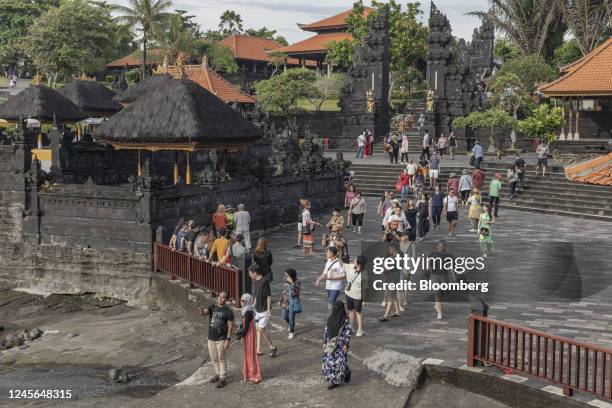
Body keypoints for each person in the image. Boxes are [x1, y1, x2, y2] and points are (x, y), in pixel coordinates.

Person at [199, 291, 234, 388]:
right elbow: (203, 313)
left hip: (221, 338)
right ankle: (218, 374)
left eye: (223, 297)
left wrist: (228, 339)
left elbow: (230, 327)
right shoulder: (212, 307)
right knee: (213, 357)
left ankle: (223, 378)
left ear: (226, 300)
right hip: (211, 337)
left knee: (221, 358)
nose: (220, 298)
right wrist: (200, 308)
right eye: (219, 296)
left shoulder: (228, 312)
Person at [322, 300, 352, 390]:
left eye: (337, 308)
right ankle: (334, 380)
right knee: (329, 362)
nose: (335, 310)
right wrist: (324, 342)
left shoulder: (346, 320)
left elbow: (348, 332)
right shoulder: (330, 318)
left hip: (340, 345)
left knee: (339, 363)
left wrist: (346, 344)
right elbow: (327, 330)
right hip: (330, 344)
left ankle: (338, 378)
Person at [249, 265, 277, 357]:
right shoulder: (255, 281)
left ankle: (272, 346)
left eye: (250, 273)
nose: (249, 275)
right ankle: (258, 349)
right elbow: (256, 294)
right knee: (258, 329)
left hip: (264, 310)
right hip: (257, 309)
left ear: (255, 273)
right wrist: (253, 304)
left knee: (261, 330)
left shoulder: (265, 281)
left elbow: (269, 296)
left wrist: (269, 310)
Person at [235, 293, 262, 384]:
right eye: (241, 300)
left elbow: (246, 327)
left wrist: (241, 336)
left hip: (248, 335)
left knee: (250, 355)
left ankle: (254, 375)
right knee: (249, 354)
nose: (241, 302)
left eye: (243, 301)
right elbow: (244, 324)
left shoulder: (247, 312)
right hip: (250, 334)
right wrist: (240, 327)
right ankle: (249, 373)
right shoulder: (249, 310)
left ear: (247, 301)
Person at [427, 240, 454, 320]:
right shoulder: (433, 253)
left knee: (441, 293)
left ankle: (437, 306)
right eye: (438, 246)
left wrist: (453, 277)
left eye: (441, 247)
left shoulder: (448, 255)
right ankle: (439, 312)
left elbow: (451, 267)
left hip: (444, 276)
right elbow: (428, 260)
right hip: (434, 276)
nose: (439, 248)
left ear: (445, 247)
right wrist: (429, 268)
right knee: (437, 292)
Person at [377, 244, 402, 322]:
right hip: (396, 278)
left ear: (393, 249)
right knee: (393, 295)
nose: (389, 251)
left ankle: (386, 315)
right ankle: (397, 311)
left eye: (389, 250)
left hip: (391, 280)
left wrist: (383, 265)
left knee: (390, 297)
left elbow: (386, 269)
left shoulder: (392, 259)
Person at [344, 255, 366, 337]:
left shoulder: (364, 274)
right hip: (348, 293)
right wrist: (338, 254)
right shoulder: (350, 266)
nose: (354, 260)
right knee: (350, 310)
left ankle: (360, 329)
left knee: (358, 312)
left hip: (357, 295)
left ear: (359, 264)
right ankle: (351, 327)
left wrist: (364, 300)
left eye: (355, 260)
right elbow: (342, 263)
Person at [279, 268, 301, 339]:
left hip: (293, 302)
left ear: (291, 275)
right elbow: (284, 292)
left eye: (286, 275)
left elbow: (295, 293)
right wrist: (280, 300)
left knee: (291, 318)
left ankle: (291, 331)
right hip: (285, 303)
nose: (285, 277)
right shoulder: (286, 282)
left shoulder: (297, 282)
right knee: (284, 316)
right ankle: (291, 325)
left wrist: (291, 283)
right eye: (284, 275)